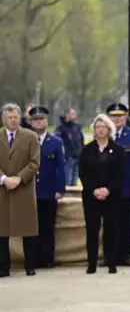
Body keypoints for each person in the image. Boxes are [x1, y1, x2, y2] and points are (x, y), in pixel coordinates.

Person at [79, 114, 125, 274]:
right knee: (92, 229)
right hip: (91, 196)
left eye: (103, 127)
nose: (100, 130)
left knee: (111, 228)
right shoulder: (87, 150)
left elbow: (120, 173)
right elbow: (82, 173)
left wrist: (108, 189)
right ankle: (91, 263)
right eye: (97, 127)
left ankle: (111, 262)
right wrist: (94, 189)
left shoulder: (118, 150)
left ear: (109, 129)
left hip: (112, 196)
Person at [0, 103, 41, 277]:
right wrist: (3, 179)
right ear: (3, 119)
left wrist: (19, 178)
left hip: (23, 188)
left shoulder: (31, 137)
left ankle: (30, 265)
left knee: (27, 228)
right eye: (9, 117)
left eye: (16, 117)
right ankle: (3, 266)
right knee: (2, 230)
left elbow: (34, 162)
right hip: (2, 189)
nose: (13, 120)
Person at [106, 103, 130, 266]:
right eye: (114, 116)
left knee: (126, 222)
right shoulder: (104, 135)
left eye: (120, 116)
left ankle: (125, 254)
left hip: (127, 187)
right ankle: (110, 256)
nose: (117, 119)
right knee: (109, 222)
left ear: (125, 117)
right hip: (107, 187)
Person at [28, 107, 67, 269]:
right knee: (31, 227)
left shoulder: (56, 142)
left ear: (47, 121)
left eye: (41, 119)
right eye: (35, 119)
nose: (38, 122)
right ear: (30, 122)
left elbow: (61, 167)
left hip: (49, 191)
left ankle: (47, 258)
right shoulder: (25, 141)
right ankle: (33, 259)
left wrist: (60, 189)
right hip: (29, 191)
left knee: (48, 227)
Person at [54, 108, 83, 187]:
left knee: (74, 180)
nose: (75, 116)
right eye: (73, 114)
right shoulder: (61, 127)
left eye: (75, 114)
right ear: (67, 115)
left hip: (78, 156)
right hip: (68, 157)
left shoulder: (77, 127)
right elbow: (57, 140)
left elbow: (81, 140)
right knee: (68, 181)